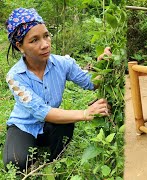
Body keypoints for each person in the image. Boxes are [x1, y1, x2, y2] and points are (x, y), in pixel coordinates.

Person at [3, 8, 111, 171]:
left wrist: (103, 65)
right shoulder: (15, 76)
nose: (45, 44)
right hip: (24, 125)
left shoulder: (63, 64)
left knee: (66, 125)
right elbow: (41, 111)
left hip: (52, 124)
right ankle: (29, 154)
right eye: (34, 40)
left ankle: (53, 161)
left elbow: (90, 83)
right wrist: (84, 113)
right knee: (15, 162)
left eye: (46, 36)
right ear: (20, 46)